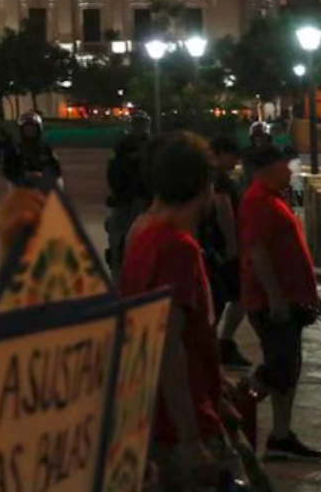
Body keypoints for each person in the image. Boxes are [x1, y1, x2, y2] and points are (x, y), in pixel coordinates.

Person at [119, 133, 241, 489]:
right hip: (181, 420)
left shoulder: (141, 232)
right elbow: (168, 345)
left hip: (154, 411)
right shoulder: (177, 247)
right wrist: (190, 438)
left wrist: (217, 385)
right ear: (203, 185)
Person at [239, 145, 321, 461]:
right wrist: (275, 296)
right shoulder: (258, 200)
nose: (292, 172)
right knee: (278, 368)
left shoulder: (273, 198)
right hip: (272, 302)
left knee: (288, 369)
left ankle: (281, 434)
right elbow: (258, 252)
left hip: (290, 299)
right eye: (286, 167)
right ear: (269, 167)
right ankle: (236, 408)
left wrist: (309, 295)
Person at [204, 136, 252, 368]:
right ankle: (219, 343)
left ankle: (217, 344)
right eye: (233, 156)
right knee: (229, 295)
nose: (236, 161)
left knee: (223, 297)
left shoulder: (209, 176)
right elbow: (224, 211)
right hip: (221, 249)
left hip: (215, 248)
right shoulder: (218, 178)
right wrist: (233, 245)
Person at [105, 109, 153, 273]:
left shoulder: (151, 147)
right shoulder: (123, 146)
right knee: (116, 230)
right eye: (136, 124)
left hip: (143, 197)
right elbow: (114, 172)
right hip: (125, 197)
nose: (139, 128)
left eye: (142, 124)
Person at [2, 110, 61, 187]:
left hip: (43, 184)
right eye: (27, 129)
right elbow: (8, 169)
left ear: (38, 130)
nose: (29, 131)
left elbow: (56, 169)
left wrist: (42, 175)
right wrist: (23, 175)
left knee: (59, 183)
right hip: (21, 184)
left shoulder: (46, 149)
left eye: (32, 129)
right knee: (11, 186)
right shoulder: (16, 149)